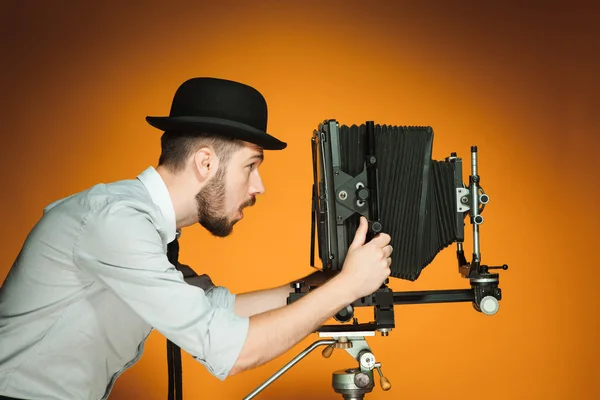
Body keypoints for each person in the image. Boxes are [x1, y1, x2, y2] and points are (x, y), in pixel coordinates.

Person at [0, 77, 393, 400]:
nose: (259, 186)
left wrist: (314, 286)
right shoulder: (115, 221)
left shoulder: (146, 227)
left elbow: (217, 309)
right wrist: (345, 288)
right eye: (251, 166)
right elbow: (233, 349)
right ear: (205, 162)